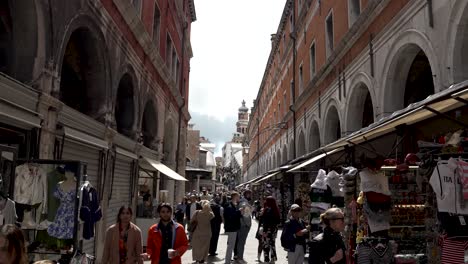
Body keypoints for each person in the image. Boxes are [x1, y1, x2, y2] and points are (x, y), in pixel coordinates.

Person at [223, 191, 243, 264]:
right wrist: (239, 212)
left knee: (231, 245)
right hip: (232, 228)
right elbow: (231, 216)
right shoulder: (229, 205)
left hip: (233, 227)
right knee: (230, 246)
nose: (239, 198)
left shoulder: (233, 204)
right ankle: (227, 261)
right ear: (234, 197)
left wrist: (239, 212)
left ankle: (228, 260)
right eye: (238, 196)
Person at [260, 196, 281, 263]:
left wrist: (265, 231)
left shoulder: (267, 210)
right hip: (274, 230)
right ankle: (273, 258)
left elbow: (265, 222)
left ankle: (266, 259)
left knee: (266, 245)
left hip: (267, 230)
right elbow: (278, 221)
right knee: (272, 244)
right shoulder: (276, 210)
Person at [234, 189, 253, 262]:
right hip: (243, 225)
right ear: (247, 195)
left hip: (242, 224)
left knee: (240, 242)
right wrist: (248, 225)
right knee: (241, 242)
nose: (251, 196)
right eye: (250, 194)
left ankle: (239, 256)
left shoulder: (243, 202)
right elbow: (246, 215)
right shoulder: (244, 203)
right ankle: (240, 258)